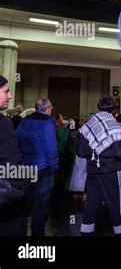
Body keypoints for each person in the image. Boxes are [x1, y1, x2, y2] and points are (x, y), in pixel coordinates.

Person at [78, 96, 121, 236]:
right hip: (111, 171)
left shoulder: (88, 125)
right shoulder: (113, 124)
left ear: (99, 107)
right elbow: (119, 152)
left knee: (91, 205)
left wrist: (97, 151)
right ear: (114, 109)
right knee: (117, 206)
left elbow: (80, 151)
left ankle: (85, 233)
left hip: (92, 171)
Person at [16, 97, 58, 236]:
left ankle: (19, 231)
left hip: (26, 168)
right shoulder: (48, 124)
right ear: (47, 109)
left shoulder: (23, 122)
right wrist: (54, 167)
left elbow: (17, 143)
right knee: (40, 206)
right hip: (43, 169)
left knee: (24, 205)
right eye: (51, 107)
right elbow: (51, 149)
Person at [0, 76, 29, 236]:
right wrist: (22, 185)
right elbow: (10, 161)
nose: (9, 96)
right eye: (6, 91)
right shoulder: (3, 123)